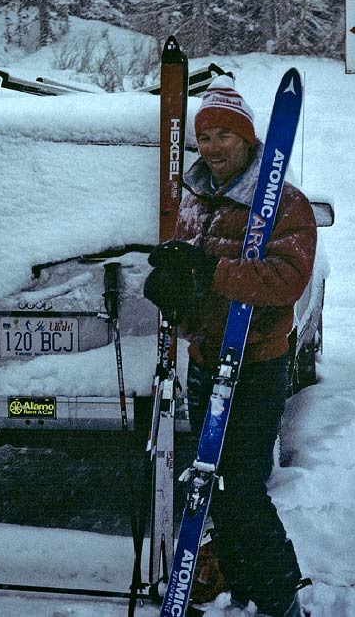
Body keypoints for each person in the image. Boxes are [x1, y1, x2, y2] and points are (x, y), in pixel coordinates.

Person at [143, 76, 315, 617]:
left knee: (240, 484)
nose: (213, 147)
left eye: (224, 136)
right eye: (205, 137)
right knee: (209, 483)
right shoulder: (196, 198)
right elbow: (195, 270)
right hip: (205, 361)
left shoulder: (285, 202)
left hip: (256, 366)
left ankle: (280, 592)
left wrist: (210, 271)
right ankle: (240, 579)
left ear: (246, 139)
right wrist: (175, 287)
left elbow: (286, 279)